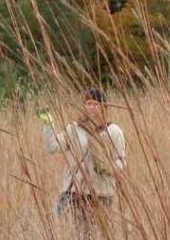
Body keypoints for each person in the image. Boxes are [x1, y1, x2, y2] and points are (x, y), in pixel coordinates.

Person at [40, 87, 126, 225]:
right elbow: (52, 146)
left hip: (102, 193)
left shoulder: (114, 131)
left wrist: (108, 168)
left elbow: (121, 162)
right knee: (81, 238)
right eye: (88, 103)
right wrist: (48, 124)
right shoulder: (74, 129)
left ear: (104, 107)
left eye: (95, 104)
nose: (91, 107)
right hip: (78, 193)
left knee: (101, 239)